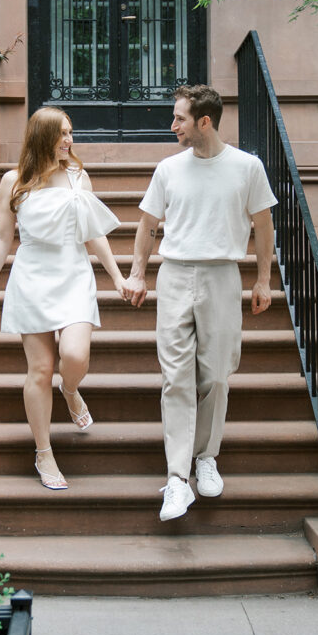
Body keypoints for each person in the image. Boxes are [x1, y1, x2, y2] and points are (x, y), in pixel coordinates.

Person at [125, 85, 277, 521]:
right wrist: (138, 273)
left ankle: (205, 458)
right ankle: (176, 479)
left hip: (222, 276)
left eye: (180, 119)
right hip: (174, 275)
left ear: (204, 122)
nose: (172, 125)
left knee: (215, 375)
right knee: (175, 377)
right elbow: (148, 224)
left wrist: (263, 281)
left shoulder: (247, 167)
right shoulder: (168, 169)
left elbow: (263, 226)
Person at [0, 107, 127, 490]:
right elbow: (1, 237)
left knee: (74, 356)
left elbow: (94, 233)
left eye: (71, 132)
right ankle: (44, 452)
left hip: (74, 275)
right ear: (43, 135)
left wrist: (117, 276)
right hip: (31, 279)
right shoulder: (14, 180)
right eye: (62, 133)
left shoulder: (79, 176)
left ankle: (72, 389)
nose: (69, 140)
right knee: (40, 370)